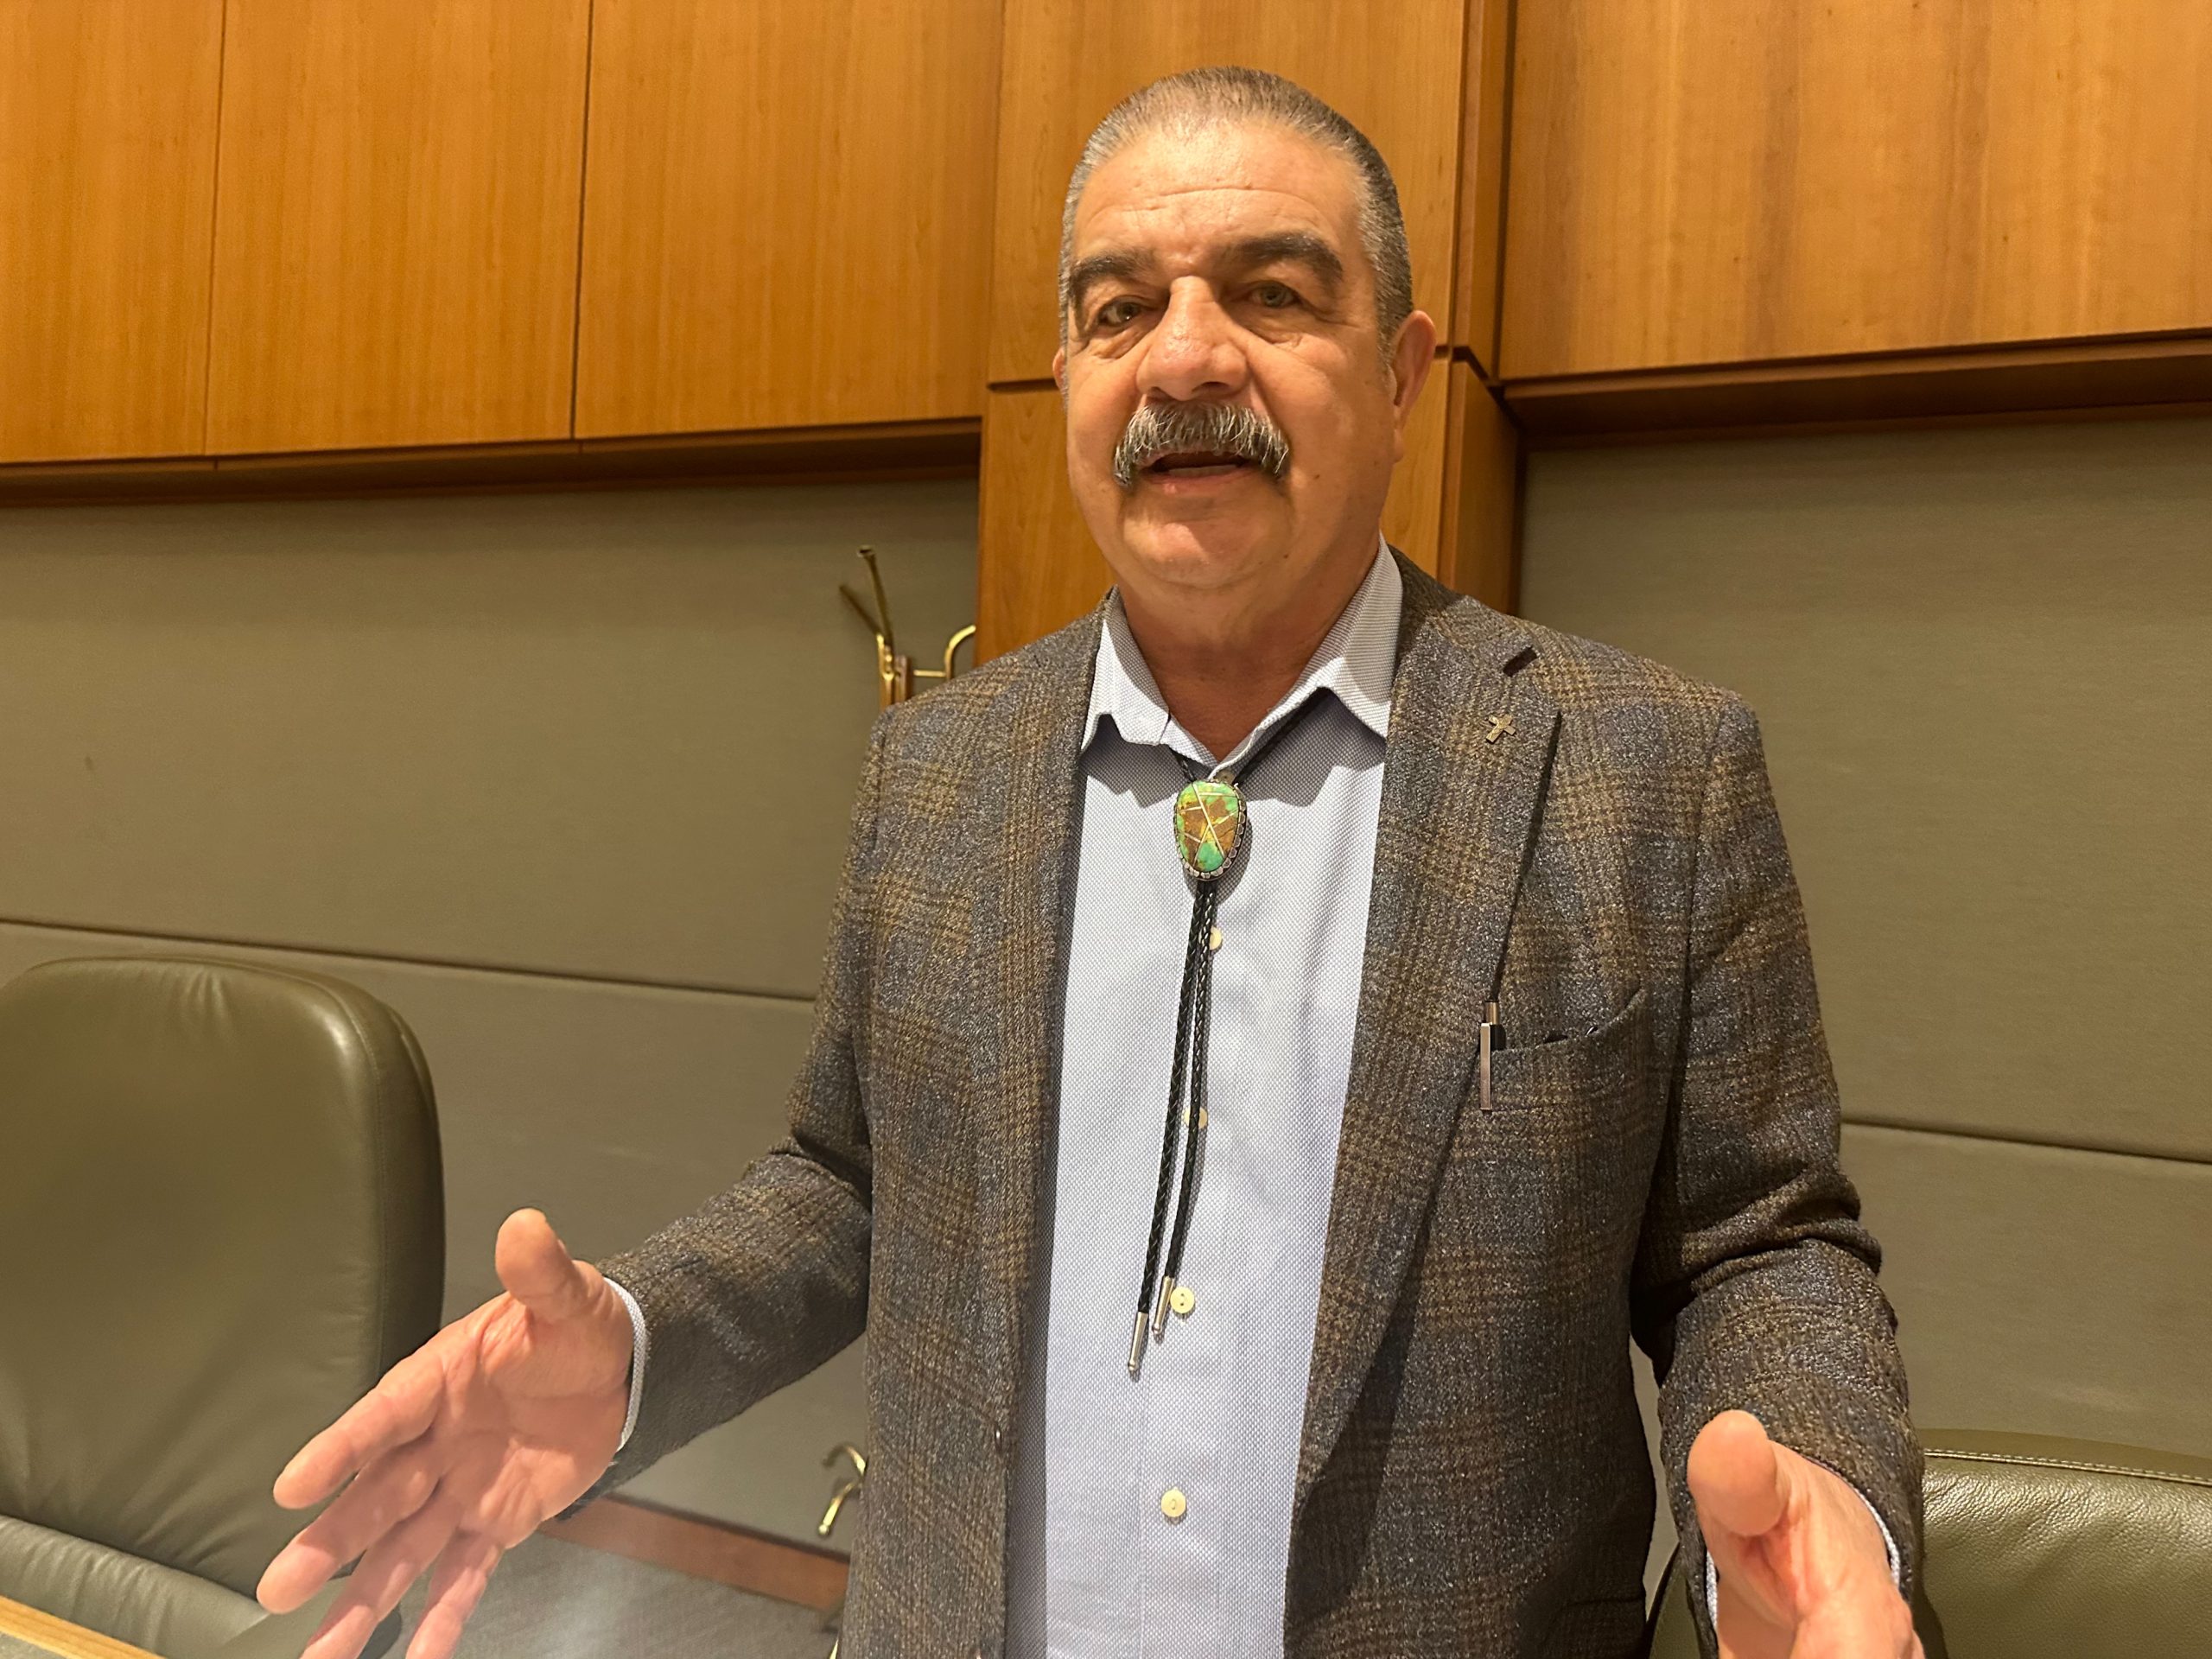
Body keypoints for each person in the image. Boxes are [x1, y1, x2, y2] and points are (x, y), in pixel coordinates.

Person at [257, 67, 1921, 1659]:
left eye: (1272, 293)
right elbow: (849, 1180)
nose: (1186, 358)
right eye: (1119, 308)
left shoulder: (1641, 772)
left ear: (1403, 371)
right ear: (1068, 375)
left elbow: (1756, 1244)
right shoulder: (943, 765)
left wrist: (1821, 1493)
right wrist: (631, 1346)